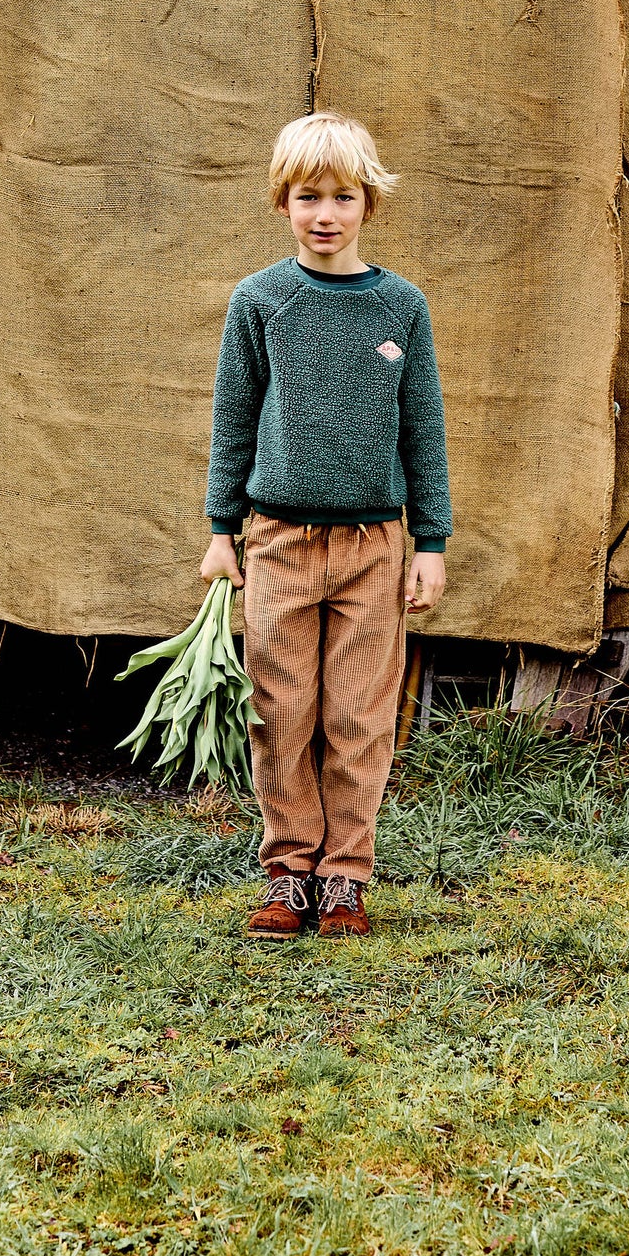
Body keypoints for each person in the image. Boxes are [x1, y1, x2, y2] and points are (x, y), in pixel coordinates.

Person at [200, 111, 451, 940]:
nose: (325, 213)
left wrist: (430, 542)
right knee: (279, 712)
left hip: (374, 547)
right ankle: (288, 872)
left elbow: (423, 429)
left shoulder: (400, 305)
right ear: (282, 201)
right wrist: (221, 529)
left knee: (357, 717)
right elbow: (233, 418)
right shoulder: (260, 300)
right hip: (277, 541)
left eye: (343, 196)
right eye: (308, 196)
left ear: (369, 203)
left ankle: (345, 876)